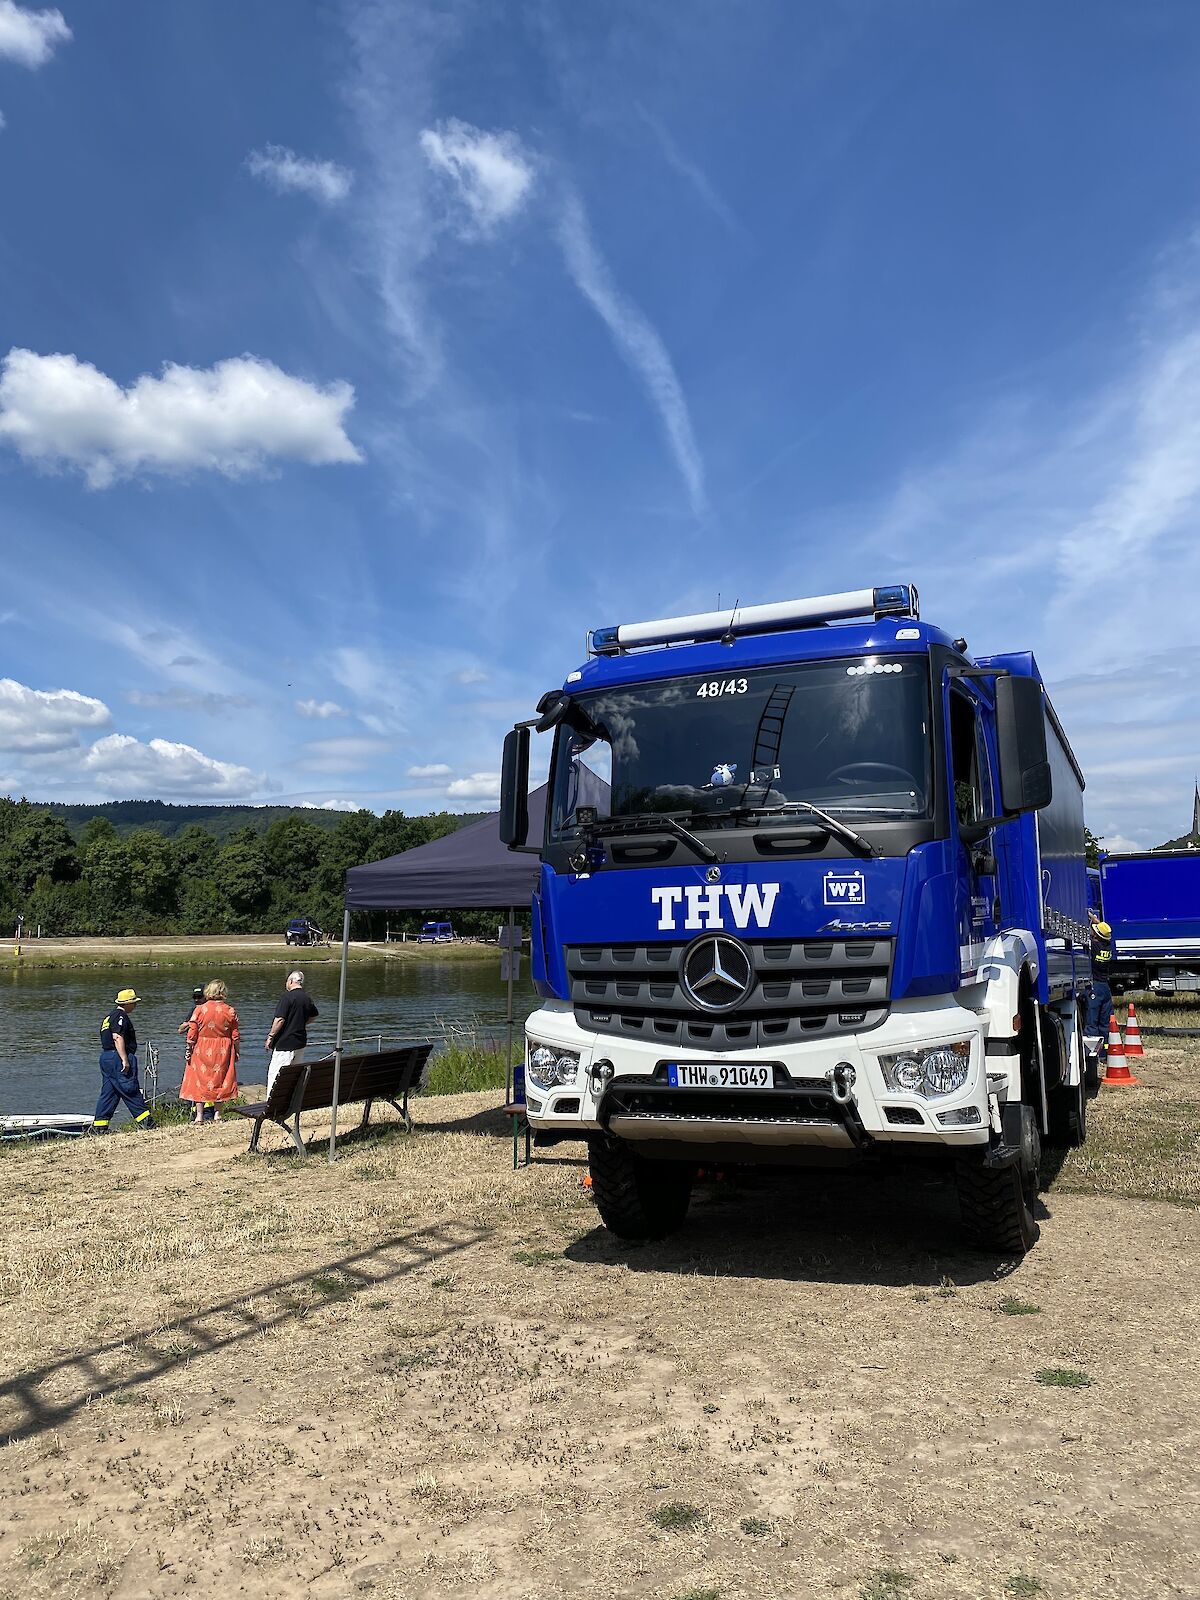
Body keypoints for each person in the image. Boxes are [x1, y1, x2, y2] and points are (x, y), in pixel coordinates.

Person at [92, 987, 155, 1133]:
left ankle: (99, 1127)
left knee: (109, 1092)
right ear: (127, 1003)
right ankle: (147, 1123)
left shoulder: (109, 1017)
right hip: (117, 1056)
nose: (135, 1005)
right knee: (130, 1089)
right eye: (134, 1002)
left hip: (106, 1057)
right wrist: (124, 1059)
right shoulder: (120, 1017)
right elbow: (117, 1036)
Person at [182, 980, 240, 1125]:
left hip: (201, 1047)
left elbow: (192, 1033)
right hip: (223, 1048)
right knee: (220, 1080)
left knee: (198, 1080)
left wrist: (189, 1049)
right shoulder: (230, 1010)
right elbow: (235, 1035)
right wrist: (236, 1051)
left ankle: (199, 1116)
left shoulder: (200, 1009)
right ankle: (218, 1114)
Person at [264, 970, 318, 1094]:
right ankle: (289, 1100)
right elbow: (314, 1015)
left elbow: (280, 1019)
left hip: (285, 1043)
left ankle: (272, 1104)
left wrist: (271, 1036)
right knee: (294, 1074)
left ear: (291, 981)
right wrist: (301, 1022)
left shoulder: (287, 997)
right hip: (300, 1042)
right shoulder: (306, 997)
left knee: (276, 1074)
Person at [1083, 909, 1114, 1054]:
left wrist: (1089, 919)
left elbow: (1087, 936)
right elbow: (1104, 931)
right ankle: (1105, 1053)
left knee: (1092, 1022)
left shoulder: (1094, 946)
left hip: (1094, 986)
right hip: (1105, 988)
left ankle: (1092, 1054)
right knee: (1105, 1023)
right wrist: (1095, 919)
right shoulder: (1108, 946)